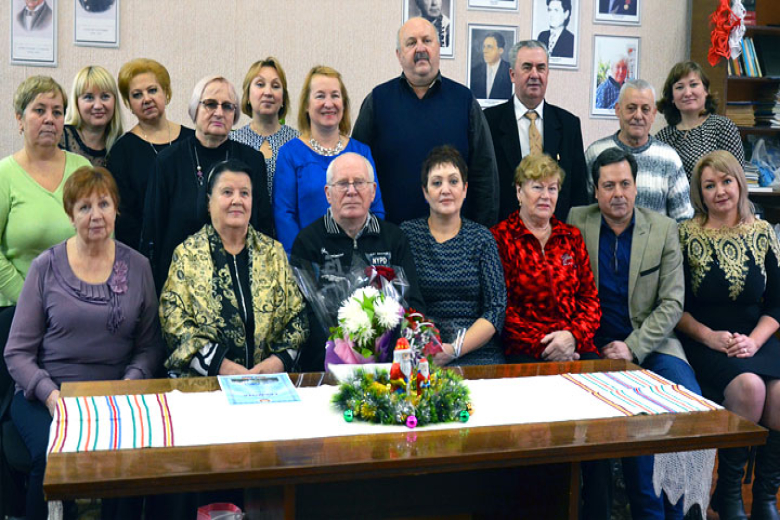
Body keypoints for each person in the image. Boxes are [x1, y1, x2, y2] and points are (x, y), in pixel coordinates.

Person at [4, 166, 163, 520]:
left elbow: (149, 346)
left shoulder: (138, 267)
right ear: (70, 215)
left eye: (104, 204)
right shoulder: (44, 267)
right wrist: (50, 395)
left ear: (116, 209)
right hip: (46, 396)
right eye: (84, 207)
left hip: (115, 395)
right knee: (50, 456)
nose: (96, 215)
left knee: (133, 455)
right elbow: (17, 352)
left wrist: (129, 384)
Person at [569, 147, 701, 520]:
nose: (618, 194)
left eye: (625, 184)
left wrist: (632, 346)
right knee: (623, 418)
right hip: (594, 348)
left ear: (636, 187)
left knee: (687, 399)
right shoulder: (576, 221)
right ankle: (642, 508)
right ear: (595, 191)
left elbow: (672, 304)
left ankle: (680, 508)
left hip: (652, 344)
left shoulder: (662, 229)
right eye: (608, 186)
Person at [676, 150, 780, 520]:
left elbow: (777, 304)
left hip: (756, 338)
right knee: (750, 388)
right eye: (709, 185)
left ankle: (765, 497)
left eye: (726, 181)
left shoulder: (763, 233)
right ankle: (729, 492)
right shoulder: (685, 235)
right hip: (705, 341)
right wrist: (710, 337)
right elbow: (675, 308)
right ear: (699, 193)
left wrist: (755, 340)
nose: (720, 191)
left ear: (739, 184)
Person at [162, 160, 307, 377]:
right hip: (207, 382)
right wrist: (222, 366)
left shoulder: (273, 252)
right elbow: (174, 321)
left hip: (269, 381)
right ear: (209, 201)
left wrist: (276, 363)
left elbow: (297, 317)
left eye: (244, 193)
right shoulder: (187, 254)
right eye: (227, 192)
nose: (237, 200)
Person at [352, 17, 498, 227]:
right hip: (390, 236)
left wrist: (481, 233)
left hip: (455, 239)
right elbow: (357, 172)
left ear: (438, 48)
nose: (420, 48)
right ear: (399, 55)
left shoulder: (464, 101)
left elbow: (485, 175)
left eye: (427, 41)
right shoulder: (377, 101)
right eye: (411, 43)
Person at [291, 153, 425, 371]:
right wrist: (339, 352)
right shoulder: (308, 241)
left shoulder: (394, 238)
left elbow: (413, 304)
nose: (351, 191)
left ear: (373, 191)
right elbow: (303, 315)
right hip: (326, 366)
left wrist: (382, 348)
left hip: (389, 363)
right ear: (328, 193)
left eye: (359, 183)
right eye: (343, 183)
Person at [141, 75, 272, 292]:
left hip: (241, 281)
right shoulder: (167, 162)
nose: (219, 112)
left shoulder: (252, 160)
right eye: (210, 104)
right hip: (181, 283)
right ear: (195, 110)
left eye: (227, 106)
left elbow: (263, 227)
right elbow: (152, 232)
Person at [401, 147, 506, 366]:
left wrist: (454, 349)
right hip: (423, 352)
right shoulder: (407, 235)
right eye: (436, 183)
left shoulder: (482, 238)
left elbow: (496, 309)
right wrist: (428, 347)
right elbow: (400, 303)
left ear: (465, 189)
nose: (445, 190)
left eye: (453, 181)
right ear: (425, 192)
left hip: (478, 352)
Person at [491, 153, 601, 362]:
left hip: (576, 345)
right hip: (526, 349)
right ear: (519, 191)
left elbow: (590, 300)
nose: (545, 196)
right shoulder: (500, 238)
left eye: (552, 188)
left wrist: (572, 337)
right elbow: (502, 309)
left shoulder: (571, 237)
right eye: (537, 187)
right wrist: (550, 347)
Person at [0, 76, 91, 313]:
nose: (50, 119)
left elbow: (103, 241)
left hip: (79, 307)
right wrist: (31, 300)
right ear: (19, 119)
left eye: (57, 112)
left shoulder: (82, 169)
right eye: (39, 110)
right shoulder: (4, 174)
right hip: (16, 309)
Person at [274, 66, 384, 253]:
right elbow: (284, 215)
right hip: (308, 260)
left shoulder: (361, 151)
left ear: (344, 104)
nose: (329, 103)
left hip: (359, 259)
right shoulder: (290, 154)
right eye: (320, 96)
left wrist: (360, 255)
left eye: (335, 95)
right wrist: (304, 260)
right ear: (306, 105)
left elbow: (376, 208)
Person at [484, 40, 588, 223]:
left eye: (541, 68)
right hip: (502, 233)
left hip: (555, 234)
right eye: (527, 67)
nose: (534, 74)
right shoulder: (488, 122)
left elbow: (578, 192)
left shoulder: (569, 125)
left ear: (547, 74)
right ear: (512, 74)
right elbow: (482, 186)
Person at [108, 58, 195, 251]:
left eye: (152, 90)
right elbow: (124, 219)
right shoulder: (122, 151)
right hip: (147, 254)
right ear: (129, 103)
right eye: (137, 95)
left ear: (166, 92)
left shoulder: (193, 140)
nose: (146, 99)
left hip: (197, 253)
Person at [585, 79, 694, 223]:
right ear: (618, 110)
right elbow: (583, 212)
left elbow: (684, 218)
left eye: (645, 109)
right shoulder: (595, 153)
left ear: (653, 114)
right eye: (631, 108)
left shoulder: (670, 159)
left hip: (657, 238)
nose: (638, 115)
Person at [656, 60, 745, 179]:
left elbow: (737, 179)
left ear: (706, 90)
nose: (687, 93)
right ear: (672, 97)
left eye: (693, 85)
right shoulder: (662, 138)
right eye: (680, 87)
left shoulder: (722, 127)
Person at [230, 57, 299, 200]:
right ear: (248, 95)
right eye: (260, 84)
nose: (268, 92)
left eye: (275, 86)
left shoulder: (298, 142)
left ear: (283, 98)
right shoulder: (233, 142)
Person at [59, 65, 123, 168]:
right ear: (76, 102)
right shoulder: (59, 138)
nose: (98, 106)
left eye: (105, 96)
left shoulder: (121, 146)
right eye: (89, 97)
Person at [470, 32, 512, 100]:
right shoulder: (475, 72)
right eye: (484, 47)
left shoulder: (510, 72)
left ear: (500, 50)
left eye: (489, 47)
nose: (484, 51)